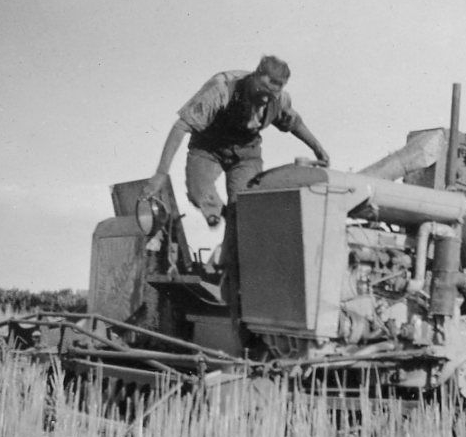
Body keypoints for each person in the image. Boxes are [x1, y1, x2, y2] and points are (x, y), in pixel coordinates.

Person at [140, 55, 330, 345]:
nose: (267, 98)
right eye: (263, 91)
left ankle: (229, 259)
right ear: (255, 76)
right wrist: (159, 173)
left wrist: (318, 148)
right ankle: (214, 212)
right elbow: (181, 127)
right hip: (209, 148)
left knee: (246, 207)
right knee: (198, 190)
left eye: (274, 94)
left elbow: (294, 123)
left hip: (246, 153)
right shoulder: (222, 88)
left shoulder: (279, 100)